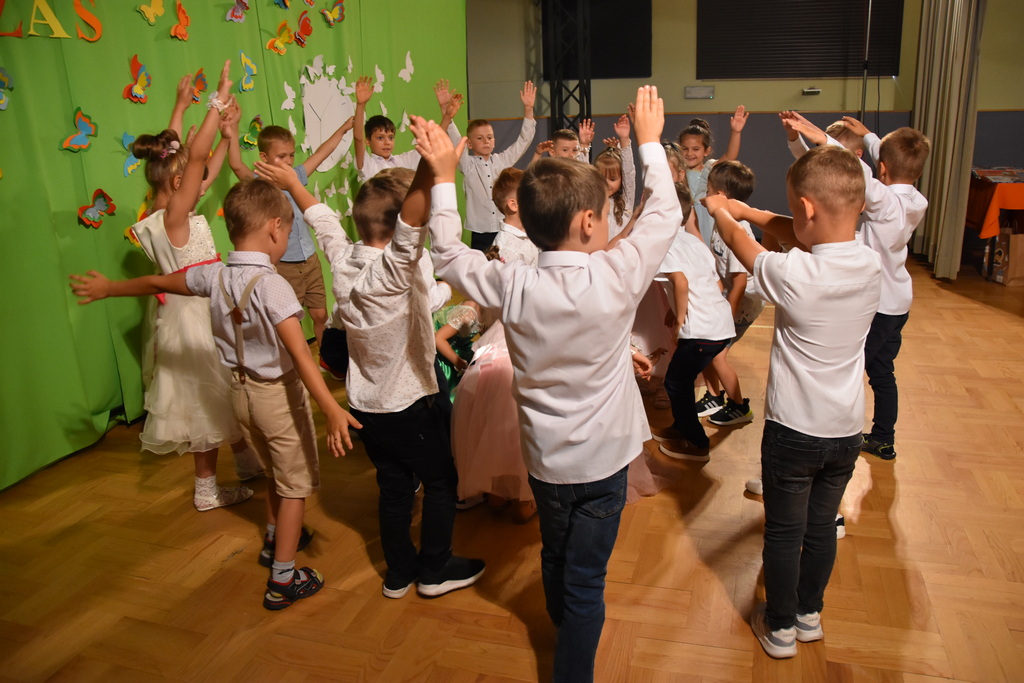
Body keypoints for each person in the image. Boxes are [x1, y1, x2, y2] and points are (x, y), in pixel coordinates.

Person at [425, 85, 682, 683]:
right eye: (603, 215)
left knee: (556, 554)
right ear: (589, 221)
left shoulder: (513, 283)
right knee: (587, 581)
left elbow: (445, 251)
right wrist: (648, 144)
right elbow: (665, 215)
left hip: (545, 464)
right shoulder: (616, 274)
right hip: (605, 464)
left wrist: (441, 177)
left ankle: (565, 627)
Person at [71, 174, 362, 612]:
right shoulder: (273, 286)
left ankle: (273, 538)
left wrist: (110, 288)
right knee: (295, 486)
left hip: (240, 395)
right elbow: (302, 355)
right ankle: (283, 578)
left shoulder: (214, 275)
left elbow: (158, 283)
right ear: (275, 228)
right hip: (277, 397)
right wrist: (332, 409)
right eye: (287, 230)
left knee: (273, 472)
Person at [257, 136, 486, 602]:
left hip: (366, 407)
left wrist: (293, 185)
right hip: (409, 405)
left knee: (395, 487)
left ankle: (398, 573)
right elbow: (410, 226)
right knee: (442, 482)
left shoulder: (343, 259)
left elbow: (322, 220)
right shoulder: (394, 270)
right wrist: (430, 168)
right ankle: (434, 569)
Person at [703, 144, 882, 659]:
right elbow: (801, 230)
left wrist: (722, 211)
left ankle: (779, 626)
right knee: (821, 528)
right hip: (846, 431)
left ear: (806, 208)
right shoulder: (870, 263)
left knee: (784, 532)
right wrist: (755, 211)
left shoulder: (792, 273)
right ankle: (808, 615)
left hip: (793, 433)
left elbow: (741, 244)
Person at [126, 61, 259, 512]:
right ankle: (206, 490)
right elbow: (196, 159)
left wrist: (189, 113)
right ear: (180, 183)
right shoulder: (176, 218)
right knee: (209, 401)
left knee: (220, 393)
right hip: (198, 317)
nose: (204, 183)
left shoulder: (159, 215)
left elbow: (188, 159)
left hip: (187, 313)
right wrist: (215, 101)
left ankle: (245, 461)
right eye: (194, 180)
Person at [223, 109, 355, 352]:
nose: (288, 161)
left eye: (291, 155)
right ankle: (294, 360)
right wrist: (232, 127)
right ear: (264, 157)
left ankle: (326, 359)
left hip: (310, 258)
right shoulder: (258, 184)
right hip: (285, 263)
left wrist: (344, 128)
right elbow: (235, 164)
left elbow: (321, 153)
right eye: (281, 156)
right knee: (288, 318)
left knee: (320, 314)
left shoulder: (296, 176)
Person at [650, 181, 736, 461]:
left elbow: (681, 281)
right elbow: (712, 282)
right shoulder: (692, 240)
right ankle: (680, 427)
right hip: (719, 324)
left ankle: (697, 443)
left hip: (701, 330)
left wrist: (679, 320)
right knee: (682, 381)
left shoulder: (666, 244)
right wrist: (677, 309)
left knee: (676, 383)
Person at [696, 160, 763, 426]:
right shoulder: (721, 220)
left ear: (720, 196)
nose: (705, 195)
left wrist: (727, 318)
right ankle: (714, 396)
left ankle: (739, 407)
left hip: (742, 304)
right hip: (730, 298)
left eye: (709, 190)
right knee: (703, 345)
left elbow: (740, 282)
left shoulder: (737, 230)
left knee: (716, 353)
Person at [459, 81, 537, 251]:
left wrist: (528, 109)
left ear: (494, 140)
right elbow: (455, 141)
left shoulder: (501, 160)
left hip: (504, 227)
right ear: (469, 144)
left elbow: (523, 141)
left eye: (489, 137)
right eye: (479, 138)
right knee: (482, 264)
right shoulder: (467, 164)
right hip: (480, 230)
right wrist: (448, 114)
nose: (486, 141)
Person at [353, 76, 463, 182]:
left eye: (391, 138)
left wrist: (447, 116)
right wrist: (361, 105)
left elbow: (431, 145)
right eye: (380, 138)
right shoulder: (368, 164)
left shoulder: (402, 161)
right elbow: (358, 139)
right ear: (368, 141)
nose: (387, 142)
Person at [677, 107, 747, 245]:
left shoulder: (709, 169)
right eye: (685, 148)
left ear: (706, 151)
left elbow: (730, 156)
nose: (689, 153)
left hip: (705, 218)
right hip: (683, 218)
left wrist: (736, 132)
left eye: (696, 149)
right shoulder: (678, 170)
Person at [594, 114, 636, 239]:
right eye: (602, 178)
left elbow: (629, 172)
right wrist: (585, 146)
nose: (606, 183)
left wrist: (624, 139)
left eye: (612, 179)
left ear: (622, 179)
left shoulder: (625, 202)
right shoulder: (592, 201)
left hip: (620, 250)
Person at [531, 121, 595, 163]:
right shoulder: (549, 172)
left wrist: (584, 144)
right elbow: (531, 175)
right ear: (552, 153)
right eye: (565, 150)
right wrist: (538, 154)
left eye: (574, 150)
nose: (571, 155)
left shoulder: (579, 170)